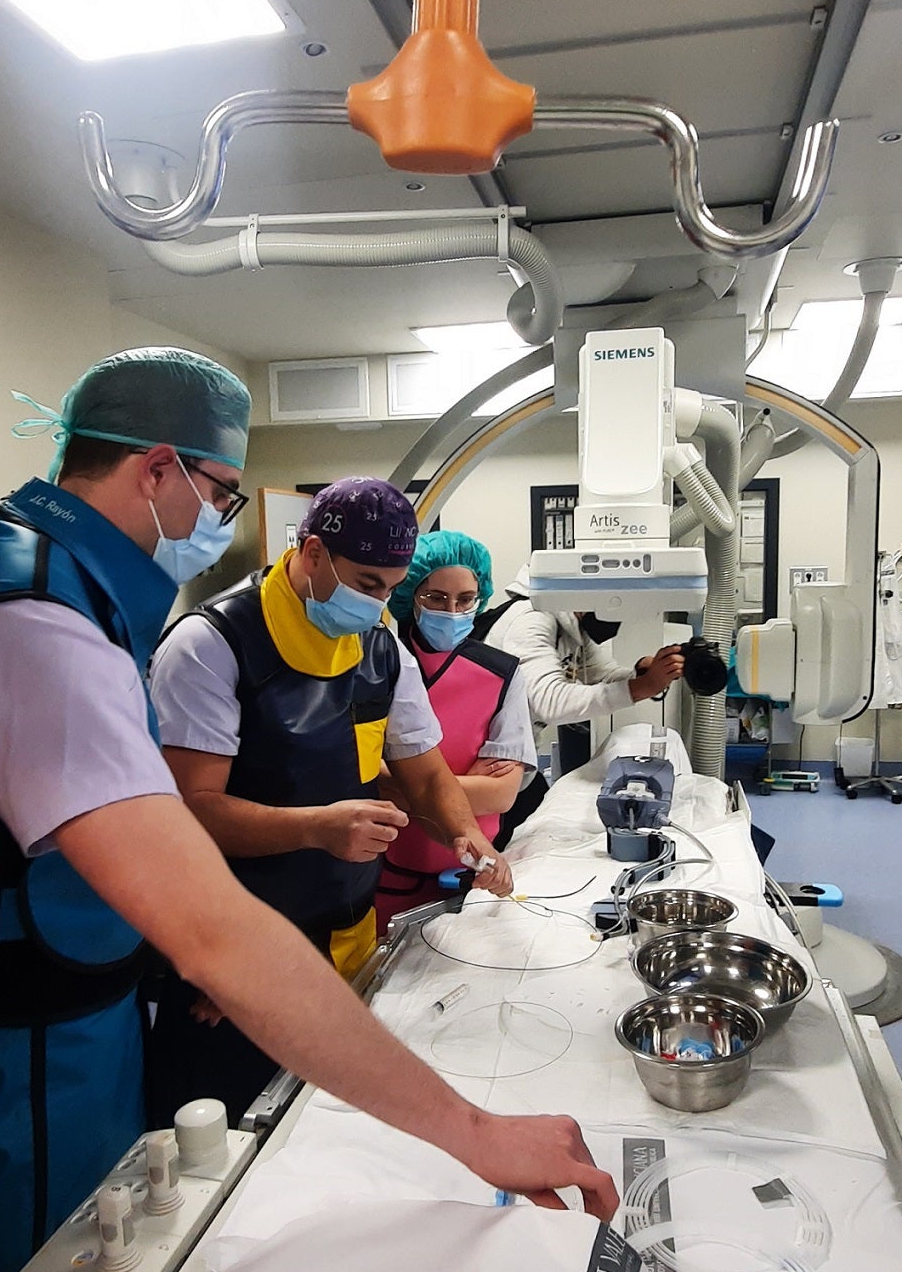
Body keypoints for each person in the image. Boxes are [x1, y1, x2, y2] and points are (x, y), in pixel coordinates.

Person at [0, 363, 612, 1272]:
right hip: (10, 1056)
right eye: (219, 494)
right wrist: (474, 1132)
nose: (220, 518)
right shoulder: (35, 622)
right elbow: (206, 913)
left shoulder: (53, 584)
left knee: (108, 1262)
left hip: (71, 1008)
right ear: (158, 470)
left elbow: (412, 770)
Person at [148, 477, 514, 1119]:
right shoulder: (212, 646)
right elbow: (189, 811)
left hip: (346, 929)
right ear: (312, 552)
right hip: (236, 950)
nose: (377, 604)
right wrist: (317, 827)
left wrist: (467, 835)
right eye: (367, 583)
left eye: (391, 589)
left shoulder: (381, 647)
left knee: (325, 1121)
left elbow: (426, 774)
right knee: (231, 1131)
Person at [375, 530, 534, 926]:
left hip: (473, 876)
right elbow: (362, 777)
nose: (451, 611)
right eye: (436, 598)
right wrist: (467, 785)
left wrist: (405, 787)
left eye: (465, 600)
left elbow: (502, 795)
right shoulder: (378, 663)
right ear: (410, 595)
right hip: (382, 876)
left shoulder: (502, 674)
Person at [482, 564, 690, 827]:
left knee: (535, 810)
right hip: (489, 762)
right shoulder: (531, 620)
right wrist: (643, 687)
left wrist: (642, 673)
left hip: (518, 759)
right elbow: (549, 702)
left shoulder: (572, 627)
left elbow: (602, 674)